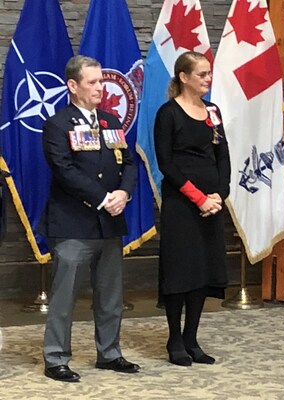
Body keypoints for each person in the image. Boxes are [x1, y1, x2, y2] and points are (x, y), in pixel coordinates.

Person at [41, 55, 140, 382]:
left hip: (109, 224)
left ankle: (110, 353)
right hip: (73, 223)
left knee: (111, 297)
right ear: (73, 85)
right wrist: (103, 198)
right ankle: (56, 358)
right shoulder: (58, 124)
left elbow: (128, 164)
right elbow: (64, 169)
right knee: (64, 298)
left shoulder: (111, 121)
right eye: (93, 82)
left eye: (101, 81)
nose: (101, 87)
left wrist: (123, 193)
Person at [154, 51, 231, 367]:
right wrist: (199, 198)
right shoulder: (168, 113)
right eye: (202, 74)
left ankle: (192, 338)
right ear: (184, 77)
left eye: (209, 73)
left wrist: (219, 195)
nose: (208, 79)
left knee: (202, 270)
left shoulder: (213, 111)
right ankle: (174, 339)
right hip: (182, 204)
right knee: (180, 271)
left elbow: (223, 156)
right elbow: (166, 163)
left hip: (211, 205)